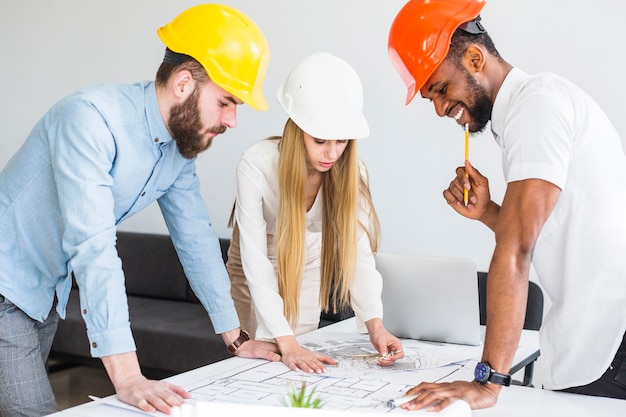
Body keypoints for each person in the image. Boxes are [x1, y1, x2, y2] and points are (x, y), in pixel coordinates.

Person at [0, 4, 282, 417]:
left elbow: (196, 239)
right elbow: (94, 247)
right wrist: (128, 375)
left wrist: (236, 338)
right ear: (184, 83)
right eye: (226, 102)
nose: (233, 120)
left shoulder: (176, 151)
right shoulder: (90, 119)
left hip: (44, 294)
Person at [387, 0, 626, 411]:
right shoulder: (533, 108)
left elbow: (517, 249)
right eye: (432, 99)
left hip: (611, 339)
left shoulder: (536, 109)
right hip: (599, 338)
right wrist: (489, 213)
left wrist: (489, 380)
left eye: (442, 89)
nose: (442, 109)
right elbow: (549, 232)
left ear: (475, 57)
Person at [226, 52, 404, 374]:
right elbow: (255, 263)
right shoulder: (255, 164)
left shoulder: (354, 172)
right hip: (255, 258)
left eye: (342, 141)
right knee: (260, 359)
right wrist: (286, 341)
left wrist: (375, 325)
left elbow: (358, 256)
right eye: (320, 140)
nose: (332, 153)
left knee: (300, 364)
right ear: (297, 129)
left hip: (307, 254)